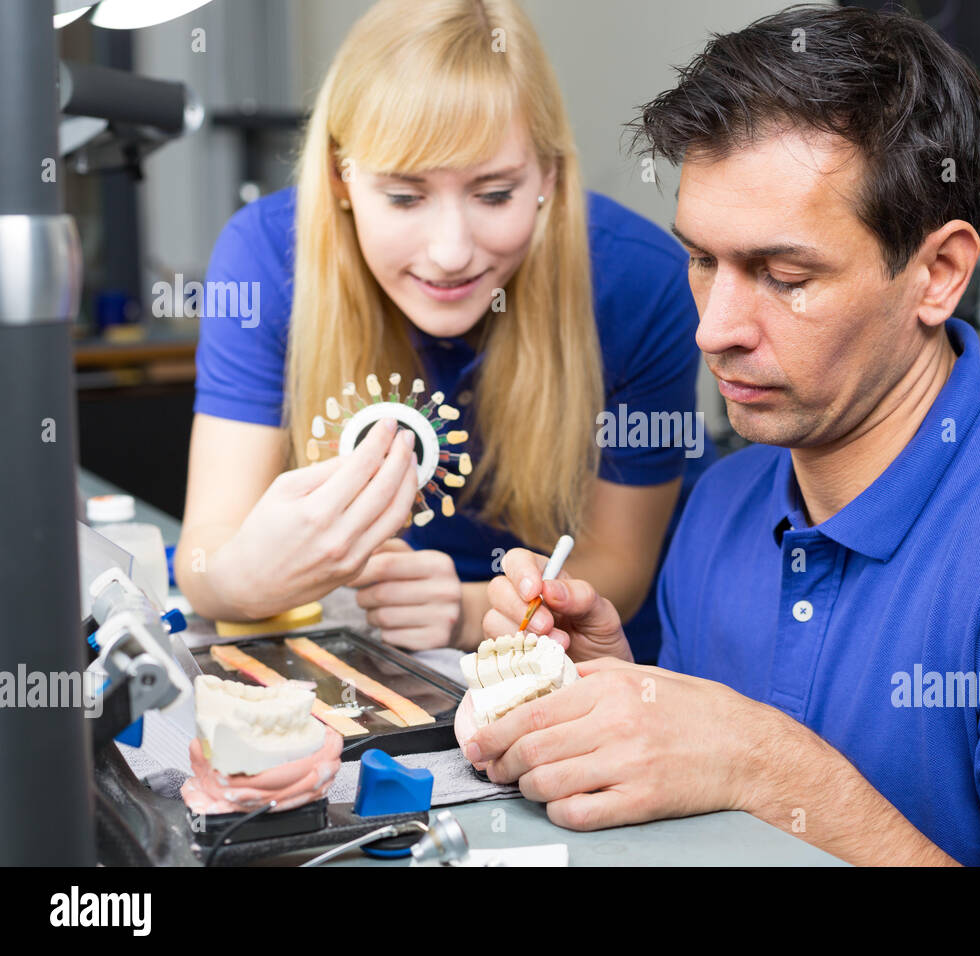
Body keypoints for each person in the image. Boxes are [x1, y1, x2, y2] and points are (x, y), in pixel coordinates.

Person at [467, 5, 980, 866]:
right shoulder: (725, 499)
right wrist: (629, 700)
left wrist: (771, 771)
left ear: (938, 274)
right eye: (702, 260)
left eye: (784, 275)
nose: (714, 328)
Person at [175, 0, 714, 663]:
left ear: (548, 174)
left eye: (494, 194)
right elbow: (205, 552)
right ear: (342, 177)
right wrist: (239, 580)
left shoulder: (641, 283)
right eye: (405, 197)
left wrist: (468, 606)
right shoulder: (264, 261)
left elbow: (620, 572)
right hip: (381, 648)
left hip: (575, 661)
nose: (452, 251)